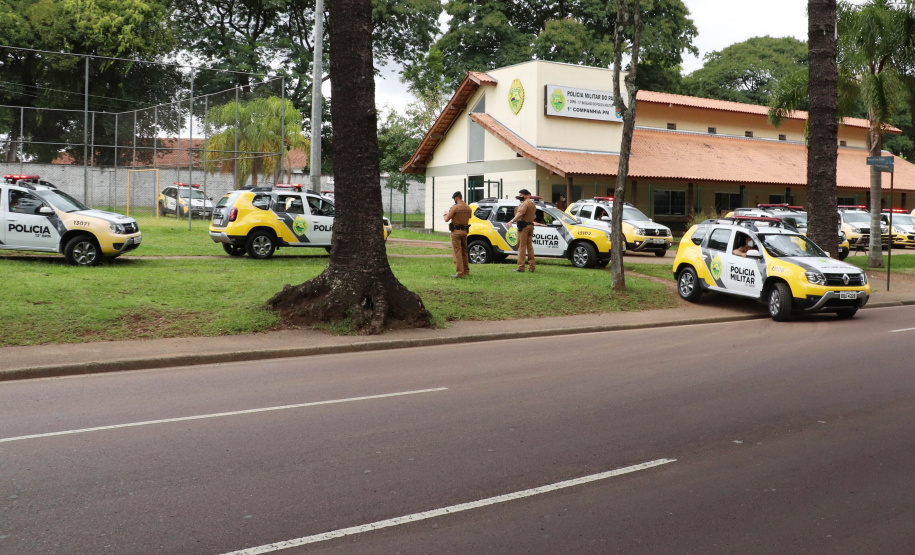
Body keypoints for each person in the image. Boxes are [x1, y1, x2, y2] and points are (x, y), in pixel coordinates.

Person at [507, 188, 536, 272]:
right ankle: (532, 266)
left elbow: (520, 213)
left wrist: (512, 221)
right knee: (530, 247)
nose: (520, 197)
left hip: (523, 227)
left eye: (521, 195)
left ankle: (521, 267)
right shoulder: (533, 204)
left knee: (521, 247)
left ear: (526, 195)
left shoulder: (524, 204)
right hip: (531, 226)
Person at [443, 191, 472, 278]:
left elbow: (447, 219)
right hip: (465, 231)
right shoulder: (468, 207)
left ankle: (460, 273)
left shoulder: (455, 208)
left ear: (456, 198)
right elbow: (469, 217)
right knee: (464, 252)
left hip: (456, 232)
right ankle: (466, 271)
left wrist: (445, 214)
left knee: (457, 252)